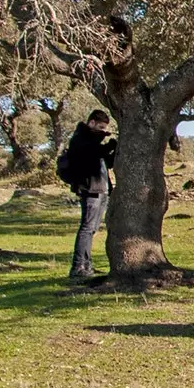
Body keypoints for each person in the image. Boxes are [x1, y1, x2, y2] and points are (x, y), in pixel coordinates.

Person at [64, 109, 117, 279]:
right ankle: (78, 266)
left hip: (101, 190)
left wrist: (114, 150)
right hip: (90, 190)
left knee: (92, 229)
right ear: (91, 122)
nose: (102, 131)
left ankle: (86, 265)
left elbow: (105, 161)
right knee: (87, 228)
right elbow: (92, 153)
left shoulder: (93, 142)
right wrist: (109, 145)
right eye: (100, 127)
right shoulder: (81, 139)